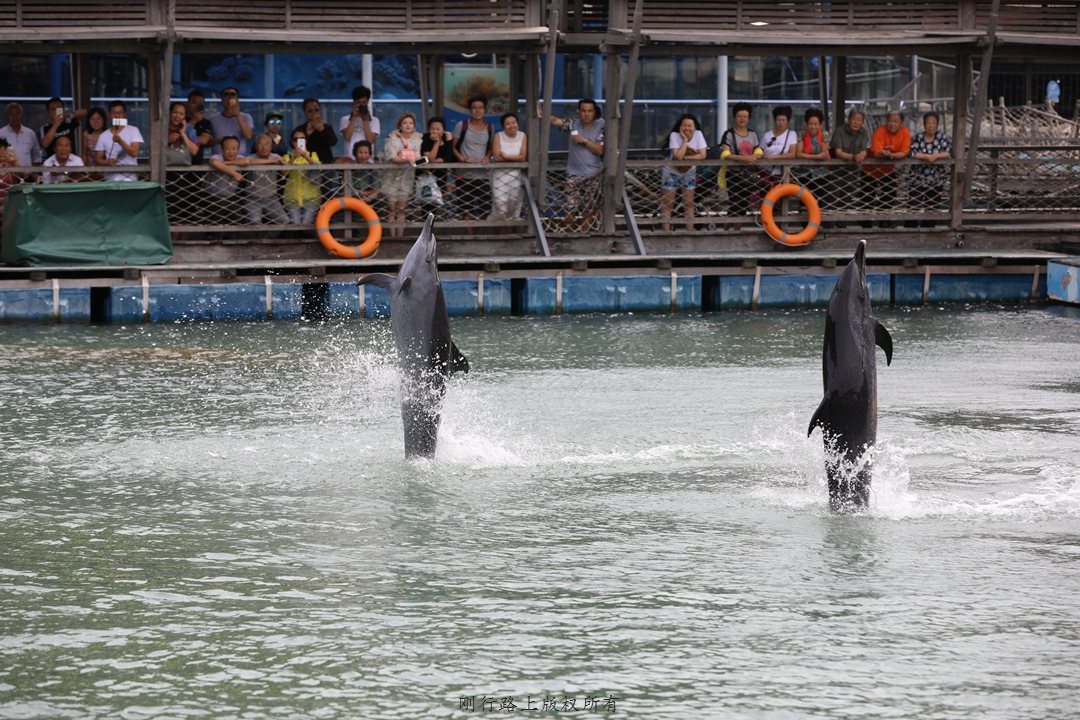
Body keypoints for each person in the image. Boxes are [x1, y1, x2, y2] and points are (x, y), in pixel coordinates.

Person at [543, 98, 605, 232]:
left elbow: (600, 150)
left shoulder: (601, 126)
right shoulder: (573, 124)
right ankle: (569, 238)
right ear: (579, 112)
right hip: (573, 174)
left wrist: (584, 140)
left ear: (594, 112)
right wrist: (541, 112)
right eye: (583, 111)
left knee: (589, 208)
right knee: (570, 208)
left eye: (589, 111)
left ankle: (585, 236)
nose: (586, 114)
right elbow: (555, 120)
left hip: (593, 175)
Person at [213, 134, 289, 237]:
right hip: (252, 199)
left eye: (266, 144)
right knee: (255, 221)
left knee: (285, 221)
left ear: (271, 147)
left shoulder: (276, 157)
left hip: (272, 199)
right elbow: (248, 162)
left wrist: (284, 161)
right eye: (260, 144)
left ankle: (268, 237)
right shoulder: (251, 157)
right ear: (256, 147)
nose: (264, 147)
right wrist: (226, 164)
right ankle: (261, 239)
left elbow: (286, 165)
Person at [452, 96, 495, 235]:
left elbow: (491, 147)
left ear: (485, 110)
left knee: (486, 207)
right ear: (470, 110)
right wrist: (463, 159)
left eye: (480, 108)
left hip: (482, 174)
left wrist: (487, 157)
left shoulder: (489, 127)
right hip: (463, 174)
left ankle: (473, 233)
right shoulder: (462, 125)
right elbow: (452, 147)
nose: (477, 111)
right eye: (474, 108)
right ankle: (470, 235)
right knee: (465, 207)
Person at [659, 113, 707, 232]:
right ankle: (666, 233)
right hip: (670, 171)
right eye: (684, 125)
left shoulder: (698, 134)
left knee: (689, 204)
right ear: (680, 126)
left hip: (689, 172)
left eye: (690, 126)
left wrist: (686, 159)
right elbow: (677, 156)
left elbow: (703, 155)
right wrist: (685, 140)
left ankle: (689, 232)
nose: (687, 128)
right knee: (668, 204)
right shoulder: (674, 135)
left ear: (695, 127)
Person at [862, 111, 911, 228]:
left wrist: (890, 155)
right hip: (870, 169)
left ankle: (883, 220)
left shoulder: (905, 132)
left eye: (895, 121)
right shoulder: (880, 131)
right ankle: (865, 224)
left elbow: (904, 153)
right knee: (867, 196)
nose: (892, 124)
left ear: (901, 123)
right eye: (890, 121)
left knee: (890, 194)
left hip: (887, 169)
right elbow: (877, 155)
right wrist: (890, 154)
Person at [720, 102, 763, 231]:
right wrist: (744, 159)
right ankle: (726, 230)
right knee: (734, 203)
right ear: (734, 118)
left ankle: (737, 231)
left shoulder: (753, 134)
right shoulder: (728, 134)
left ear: (749, 118)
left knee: (743, 204)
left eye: (745, 116)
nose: (742, 119)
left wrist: (755, 158)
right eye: (739, 116)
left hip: (748, 173)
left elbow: (758, 151)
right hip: (733, 173)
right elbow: (725, 154)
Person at [906, 112, 952, 228]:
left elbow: (948, 152)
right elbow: (911, 153)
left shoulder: (941, 137)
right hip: (918, 178)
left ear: (937, 125)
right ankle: (910, 232)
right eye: (928, 123)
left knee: (932, 207)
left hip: (935, 179)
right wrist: (927, 157)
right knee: (913, 206)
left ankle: (928, 231)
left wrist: (936, 157)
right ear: (924, 124)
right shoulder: (918, 137)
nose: (931, 125)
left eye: (933, 123)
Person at [381, 112, 423, 238]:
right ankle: (392, 236)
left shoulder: (418, 140)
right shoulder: (392, 139)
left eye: (410, 123)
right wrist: (406, 160)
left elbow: (418, 156)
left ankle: (400, 237)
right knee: (391, 208)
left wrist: (421, 160)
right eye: (405, 123)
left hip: (407, 177)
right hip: (391, 177)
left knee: (401, 209)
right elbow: (391, 157)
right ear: (400, 125)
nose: (408, 125)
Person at [829, 109, 870, 228]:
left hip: (852, 171)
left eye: (859, 120)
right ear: (848, 120)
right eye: (854, 119)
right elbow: (838, 153)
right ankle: (829, 227)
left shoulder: (864, 132)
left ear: (862, 122)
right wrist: (853, 157)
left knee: (847, 199)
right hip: (837, 171)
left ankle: (842, 226)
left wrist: (861, 156)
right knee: (833, 198)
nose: (856, 122)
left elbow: (864, 150)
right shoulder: (839, 131)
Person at [165, 101, 202, 231]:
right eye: (175, 112)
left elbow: (194, 151)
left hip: (185, 177)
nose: (177, 116)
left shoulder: (190, 130)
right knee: (169, 214)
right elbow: (151, 150)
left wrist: (183, 134)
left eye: (181, 114)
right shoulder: (162, 128)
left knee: (184, 214)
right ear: (169, 113)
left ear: (185, 116)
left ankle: (183, 245)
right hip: (166, 177)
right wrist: (166, 141)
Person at [490, 112, 528, 233]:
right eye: (508, 124)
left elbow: (523, 157)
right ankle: (495, 237)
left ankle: (507, 236)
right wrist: (514, 158)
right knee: (500, 209)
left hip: (516, 176)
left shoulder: (523, 136)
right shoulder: (498, 136)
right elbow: (496, 157)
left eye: (513, 123)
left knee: (512, 209)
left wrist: (505, 156)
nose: (511, 126)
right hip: (499, 176)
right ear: (503, 126)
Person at [795, 107, 832, 228]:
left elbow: (824, 155)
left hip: (820, 174)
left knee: (818, 201)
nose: (813, 126)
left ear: (820, 124)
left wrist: (809, 157)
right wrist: (816, 156)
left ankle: (815, 226)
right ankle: (804, 227)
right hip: (804, 174)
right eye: (810, 123)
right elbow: (799, 154)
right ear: (806, 123)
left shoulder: (825, 135)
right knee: (803, 202)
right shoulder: (801, 134)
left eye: (816, 124)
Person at [204, 136, 246, 234]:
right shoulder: (217, 156)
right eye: (228, 149)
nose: (231, 152)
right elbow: (214, 162)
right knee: (220, 206)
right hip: (211, 195)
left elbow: (246, 161)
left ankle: (227, 239)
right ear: (222, 150)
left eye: (234, 149)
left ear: (238, 150)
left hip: (230, 197)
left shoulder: (239, 158)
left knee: (237, 216)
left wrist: (226, 164)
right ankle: (211, 235)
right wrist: (235, 173)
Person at [94, 101, 143, 181]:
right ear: (108, 114)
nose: (117, 115)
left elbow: (134, 153)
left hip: (130, 177)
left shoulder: (133, 130)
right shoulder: (103, 135)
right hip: (110, 177)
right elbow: (98, 159)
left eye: (120, 113)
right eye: (113, 113)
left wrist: (120, 141)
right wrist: (107, 162)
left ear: (125, 114)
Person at [283, 128, 323, 227]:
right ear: (291, 142)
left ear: (306, 141)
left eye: (302, 139)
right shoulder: (287, 156)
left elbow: (319, 168)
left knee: (306, 224)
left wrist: (305, 156)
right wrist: (293, 158)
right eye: (295, 139)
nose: (298, 141)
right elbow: (284, 172)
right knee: (296, 224)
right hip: (292, 198)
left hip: (311, 198)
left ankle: (317, 238)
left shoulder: (312, 155)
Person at [421, 115, 457, 209]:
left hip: (441, 174)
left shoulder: (447, 137)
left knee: (438, 202)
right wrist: (437, 142)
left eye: (438, 129)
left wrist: (433, 161)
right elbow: (429, 159)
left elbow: (448, 157)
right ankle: (428, 223)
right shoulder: (425, 138)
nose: (435, 131)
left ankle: (434, 222)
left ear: (443, 130)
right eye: (432, 129)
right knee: (426, 204)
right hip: (426, 174)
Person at [207, 86, 254, 156]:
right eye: (226, 96)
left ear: (237, 100)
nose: (229, 98)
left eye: (233, 95)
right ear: (222, 100)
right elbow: (207, 143)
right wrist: (221, 139)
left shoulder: (246, 117)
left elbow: (248, 135)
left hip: (239, 159)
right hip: (218, 159)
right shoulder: (212, 118)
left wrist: (238, 115)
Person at [760, 105, 797, 192]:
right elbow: (760, 150)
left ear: (788, 121)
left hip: (782, 173)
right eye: (778, 120)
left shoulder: (791, 134)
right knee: (765, 198)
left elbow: (792, 154)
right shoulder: (767, 135)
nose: (781, 122)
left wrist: (773, 157)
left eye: (783, 120)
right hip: (766, 172)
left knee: (779, 198)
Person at [292, 97, 338, 164]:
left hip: (325, 163)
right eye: (310, 111)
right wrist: (307, 135)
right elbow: (293, 143)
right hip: (306, 163)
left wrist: (322, 130)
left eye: (316, 110)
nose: (313, 113)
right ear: (305, 113)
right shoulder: (300, 129)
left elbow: (333, 142)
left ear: (320, 111)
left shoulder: (327, 127)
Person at [39, 97, 87, 161]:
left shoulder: (68, 122)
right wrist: (56, 124)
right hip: (53, 164)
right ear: (48, 112)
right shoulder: (45, 128)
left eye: (59, 108)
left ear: (63, 109)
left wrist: (71, 115)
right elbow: (45, 144)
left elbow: (85, 112)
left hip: (71, 162)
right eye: (53, 109)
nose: (56, 111)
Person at [336, 139, 381, 208]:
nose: (363, 155)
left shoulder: (373, 169)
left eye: (366, 153)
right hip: (353, 198)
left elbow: (377, 189)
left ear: (369, 155)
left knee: (380, 201)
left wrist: (371, 197)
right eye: (360, 152)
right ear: (355, 154)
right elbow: (348, 190)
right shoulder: (349, 167)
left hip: (369, 198)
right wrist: (364, 193)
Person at [340, 85, 380, 156]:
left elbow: (370, 140)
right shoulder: (345, 119)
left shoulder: (374, 120)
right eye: (358, 102)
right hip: (350, 159)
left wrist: (365, 120)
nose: (361, 105)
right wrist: (354, 117)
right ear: (354, 102)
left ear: (368, 101)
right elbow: (347, 137)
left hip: (367, 159)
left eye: (364, 103)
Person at [0, 102, 42, 167]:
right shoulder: (1, 133)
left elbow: (36, 155)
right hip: (7, 175)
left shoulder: (30, 133)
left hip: (28, 175)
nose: (15, 117)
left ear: (22, 114)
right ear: (7, 115)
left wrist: (35, 173)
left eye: (17, 114)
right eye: (11, 114)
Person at [186, 90, 213, 165]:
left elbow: (204, 140)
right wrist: (193, 121)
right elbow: (177, 136)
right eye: (194, 103)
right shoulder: (180, 119)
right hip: (178, 161)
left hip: (196, 163)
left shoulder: (206, 123)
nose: (197, 106)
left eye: (200, 104)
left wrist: (185, 137)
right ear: (188, 103)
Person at [82, 107, 108, 175]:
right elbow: (85, 154)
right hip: (90, 171)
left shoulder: (109, 134)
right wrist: (82, 170)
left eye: (98, 118)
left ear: (104, 120)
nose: (95, 122)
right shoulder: (86, 134)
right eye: (92, 119)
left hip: (105, 172)